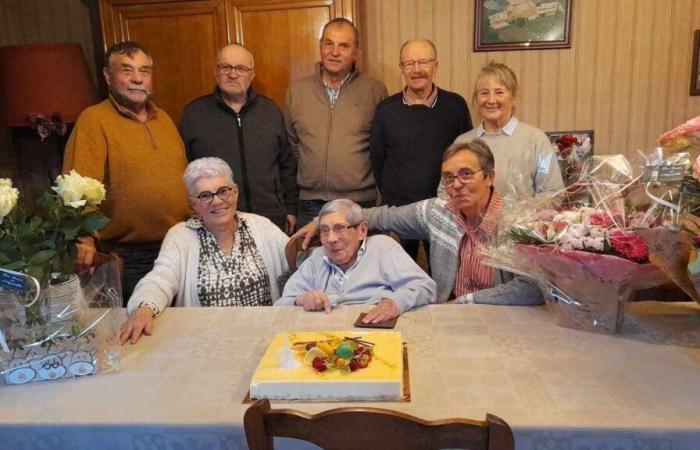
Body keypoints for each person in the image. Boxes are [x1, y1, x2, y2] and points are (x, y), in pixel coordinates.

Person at [294, 139, 543, 306]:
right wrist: (322, 221)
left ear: (490, 177)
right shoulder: (438, 211)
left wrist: (465, 303)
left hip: (498, 320)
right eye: (449, 178)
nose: (456, 184)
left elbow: (532, 288)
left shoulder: (517, 221)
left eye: (466, 175)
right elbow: (383, 215)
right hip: (446, 319)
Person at [63, 41, 191, 302]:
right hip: (131, 257)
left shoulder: (164, 119)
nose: (137, 79)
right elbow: (76, 189)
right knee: (141, 333)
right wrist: (83, 239)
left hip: (179, 246)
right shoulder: (94, 120)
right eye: (127, 70)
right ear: (108, 77)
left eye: (144, 71)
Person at [120, 157, 290, 344]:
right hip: (203, 342)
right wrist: (144, 308)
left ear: (236, 192)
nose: (217, 201)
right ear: (193, 204)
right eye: (205, 196)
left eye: (223, 191)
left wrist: (317, 228)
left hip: (264, 337)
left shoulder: (261, 226)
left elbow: (297, 262)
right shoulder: (180, 236)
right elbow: (160, 278)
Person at [370, 38, 472, 261]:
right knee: (400, 279)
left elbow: (468, 157)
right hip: (399, 213)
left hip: (445, 210)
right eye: (409, 63)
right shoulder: (386, 110)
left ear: (435, 65)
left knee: (446, 279)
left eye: (423, 62)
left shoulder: (455, 106)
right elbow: (378, 160)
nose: (417, 70)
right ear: (402, 69)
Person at [180, 43, 298, 233]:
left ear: (251, 75)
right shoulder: (194, 115)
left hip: (269, 220)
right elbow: (183, 170)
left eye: (241, 69)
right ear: (216, 71)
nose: (233, 74)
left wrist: (291, 209)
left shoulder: (270, 111)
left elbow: (287, 165)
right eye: (226, 67)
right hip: (215, 222)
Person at [285, 18, 387, 227]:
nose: (335, 52)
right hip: (310, 204)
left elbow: (382, 148)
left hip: (359, 203)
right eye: (329, 43)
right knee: (309, 259)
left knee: (360, 260)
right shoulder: (297, 91)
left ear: (356, 52)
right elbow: (292, 144)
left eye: (344, 45)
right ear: (320, 46)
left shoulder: (374, 91)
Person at [276, 199, 436, 324]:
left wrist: (395, 302)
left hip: (374, 330)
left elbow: (426, 287)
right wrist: (300, 300)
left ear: (362, 231)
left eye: (340, 228)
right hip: (325, 336)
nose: (331, 239)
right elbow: (280, 306)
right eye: (324, 231)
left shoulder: (382, 247)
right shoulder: (317, 257)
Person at [454, 61, 563, 197]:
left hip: (525, 219)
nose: (491, 100)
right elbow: (446, 191)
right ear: (476, 98)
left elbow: (552, 191)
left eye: (499, 92)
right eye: (484, 93)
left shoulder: (537, 141)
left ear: (514, 97)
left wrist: (520, 216)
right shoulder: (463, 143)